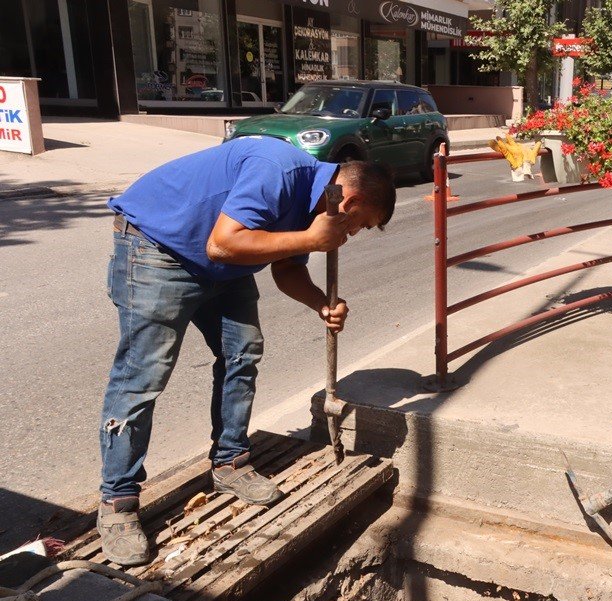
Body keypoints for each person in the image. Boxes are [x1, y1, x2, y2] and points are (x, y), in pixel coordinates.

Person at [98, 136, 395, 566]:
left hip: (219, 264)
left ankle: (230, 463)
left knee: (243, 351)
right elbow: (224, 243)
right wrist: (313, 238)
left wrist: (321, 303)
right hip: (158, 249)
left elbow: (287, 266)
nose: (350, 235)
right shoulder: (278, 172)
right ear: (351, 203)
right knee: (143, 374)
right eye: (359, 225)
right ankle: (117, 503)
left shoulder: (315, 201)